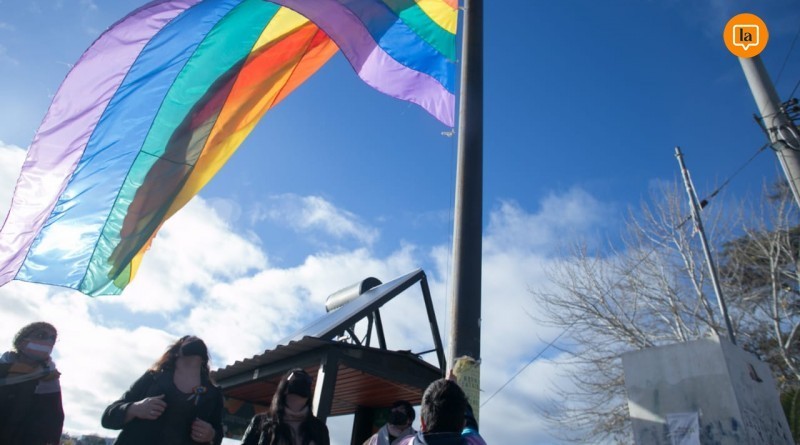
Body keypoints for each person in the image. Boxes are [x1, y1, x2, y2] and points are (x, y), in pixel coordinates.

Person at [101, 335, 224, 444]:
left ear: (204, 359)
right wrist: (135, 408)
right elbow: (107, 418)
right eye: (189, 340)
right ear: (176, 352)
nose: (195, 340)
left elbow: (218, 434)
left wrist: (211, 435)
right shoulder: (152, 378)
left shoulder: (213, 394)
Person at [0, 321, 64, 445]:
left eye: (52, 339)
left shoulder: (49, 380)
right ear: (21, 342)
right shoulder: (2, 370)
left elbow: (52, 424)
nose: (48, 342)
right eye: (41, 335)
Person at [241, 368, 330, 445]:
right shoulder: (260, 422)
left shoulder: (319, 429)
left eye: (306, 380)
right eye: (294, 378)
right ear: (283, 389)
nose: (300, 382)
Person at [396, 378, 487, 445]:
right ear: (463, 424)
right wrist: (452, 386)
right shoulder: (474, 441)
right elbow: (471, 427)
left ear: (422, 423)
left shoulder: (406, 442)